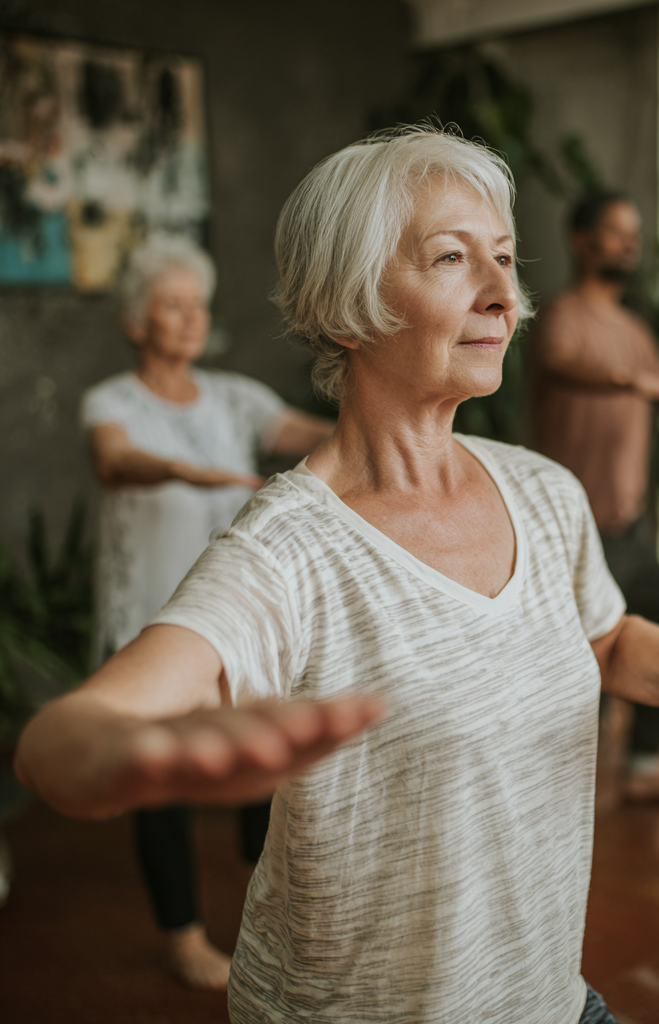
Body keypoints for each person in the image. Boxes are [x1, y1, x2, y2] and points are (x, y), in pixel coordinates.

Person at [17, 125, 659, 1024]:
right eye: (452, 258)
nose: (505, 296)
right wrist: (125, 757)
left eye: (506, 260)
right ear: (350, 304)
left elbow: (607, 638)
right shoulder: (289, 549)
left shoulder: (544, 491)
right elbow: (63, 741)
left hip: (553, 1000)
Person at [80, 235, 335, 989]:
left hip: (236, 620)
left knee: (263, 770)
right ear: (136, 321)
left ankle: (272, 909)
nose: (191, 319)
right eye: (171, 305)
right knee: (158, 785)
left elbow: (312, 432)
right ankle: (183, 937)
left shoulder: (235, 396)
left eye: (198, 305)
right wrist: (184, 471)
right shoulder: (113, 402)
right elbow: (112, 459)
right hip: (148, 621)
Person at [530, 191, 659, 803]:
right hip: (564, 533)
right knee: (574, 662)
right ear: (580, 241)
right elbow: (559, 364)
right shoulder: (560, 315)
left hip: (627, 530)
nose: (628, 243)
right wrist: (635, 382)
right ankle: (556, 787)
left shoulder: (636, 332)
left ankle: (642, 767)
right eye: (614, 231)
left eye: (633, 232)